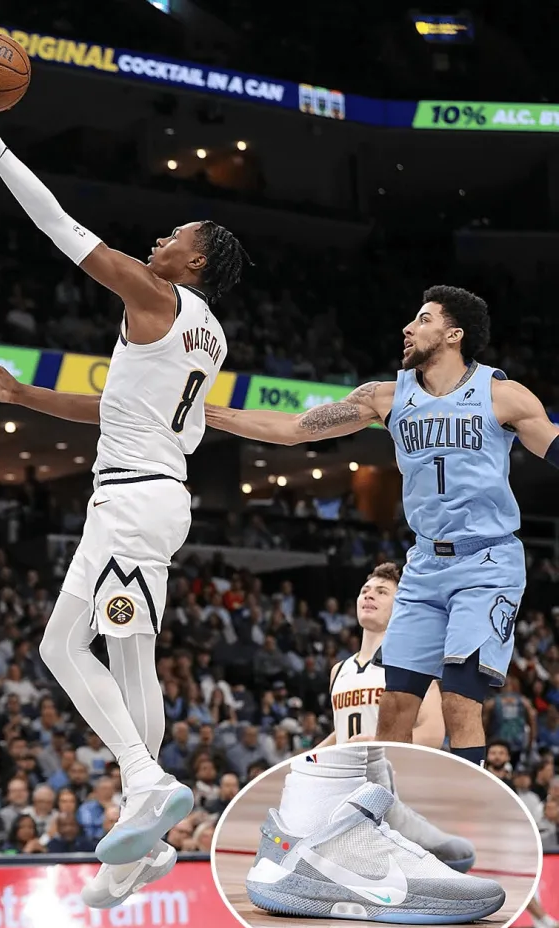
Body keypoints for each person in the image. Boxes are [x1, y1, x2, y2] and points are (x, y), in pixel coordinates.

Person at [0, 67, 249, 909]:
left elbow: (60, 227)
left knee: (102, 652)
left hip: (132, 502)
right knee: (94, 651)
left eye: (174, 235)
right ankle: (141, 833)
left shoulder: (157, 295)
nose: (159, 238)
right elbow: (118, 408)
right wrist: (23, 397)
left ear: (195, 260)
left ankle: (145, 786)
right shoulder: (211, 337)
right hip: (146, 496)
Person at [208, 285, 559, 763]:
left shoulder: (502, 396)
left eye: (424, 319)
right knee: (393, 705)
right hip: (424, 563)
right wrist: (210, 413)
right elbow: (292, 429)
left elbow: (552, 446)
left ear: (454, 335)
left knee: (459, 698)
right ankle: (385, 805)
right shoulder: (386, 397)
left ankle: (467, 800)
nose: (408, 328)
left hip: (487, 560)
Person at [318, 563, 444, 748]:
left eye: (381, 592)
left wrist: (380, 743)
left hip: (392, 765)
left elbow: (432, 734)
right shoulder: (338, 670)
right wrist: (302, 759)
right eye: (364, 591)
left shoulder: (414, 665)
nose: (369, 595)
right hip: (348, 766)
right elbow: (343, 730)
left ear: (400, 606)